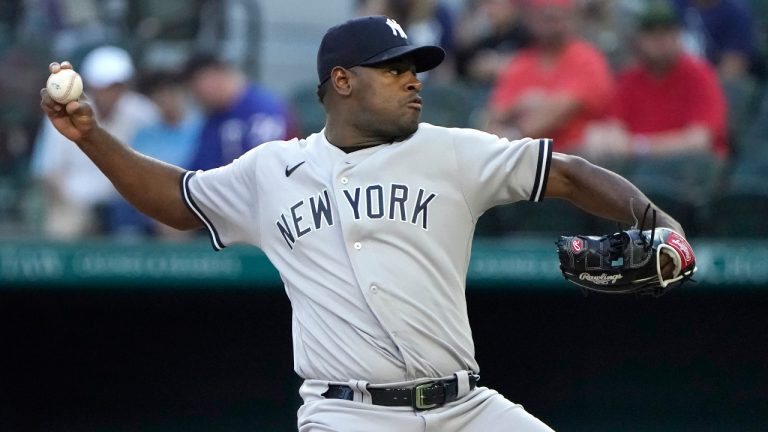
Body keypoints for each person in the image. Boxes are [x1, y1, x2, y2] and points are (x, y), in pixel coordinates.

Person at [40, 15, 684, 431]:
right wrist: (92, 138)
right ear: (341, 81)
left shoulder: (452, 149)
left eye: (415, 69)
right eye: (394, 69)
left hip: (466, 408)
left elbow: (567, 173)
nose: (413, 82)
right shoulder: (273, 169)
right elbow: (179, 200)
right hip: (347, 414)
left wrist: (666, 227)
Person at [31, 45, 158, 238]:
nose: (111, 92)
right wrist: (71, 205)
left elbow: (154, 167)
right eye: (105, 85)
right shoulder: (64, 113)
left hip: (129, 205)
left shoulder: (143, 111)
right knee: (63, 226)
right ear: (91, 85)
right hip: (76, 203)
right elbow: (49, 172)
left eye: (117, 85)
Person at [582, 0, 728, 162]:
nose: (660, 40)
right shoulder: (630, 78)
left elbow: (699, 141)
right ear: (638, 39)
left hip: (689, 173)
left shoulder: (699, 74)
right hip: (639, 169)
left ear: (678, 34)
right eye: (651, 33)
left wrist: (638, 146)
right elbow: (611, 128)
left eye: (667, 32)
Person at [486, 0, 614, 153]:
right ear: (532, 17)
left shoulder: (588, 59)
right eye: (544, 13)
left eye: (557, 13)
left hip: (576, 163)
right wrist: (519, 104)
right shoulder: (521, 63)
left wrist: (514, 133)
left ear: (571, 17)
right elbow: (492, 118)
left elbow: (553, 115)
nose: (550, 19)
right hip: (527, 162)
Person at [107, 70, 202, 239]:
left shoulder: (201, 129)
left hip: (187, 200)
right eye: (159, 95)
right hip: (148, 201)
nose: (166, 100)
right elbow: (134, 173)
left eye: (171, 93)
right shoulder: (144, 134)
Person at [183, 53, 295, 171]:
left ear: (215, 76)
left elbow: (268, 171)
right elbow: (198, 170)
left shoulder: (262, 110)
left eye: (195, 85)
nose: (194, 95)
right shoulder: (215, 115)